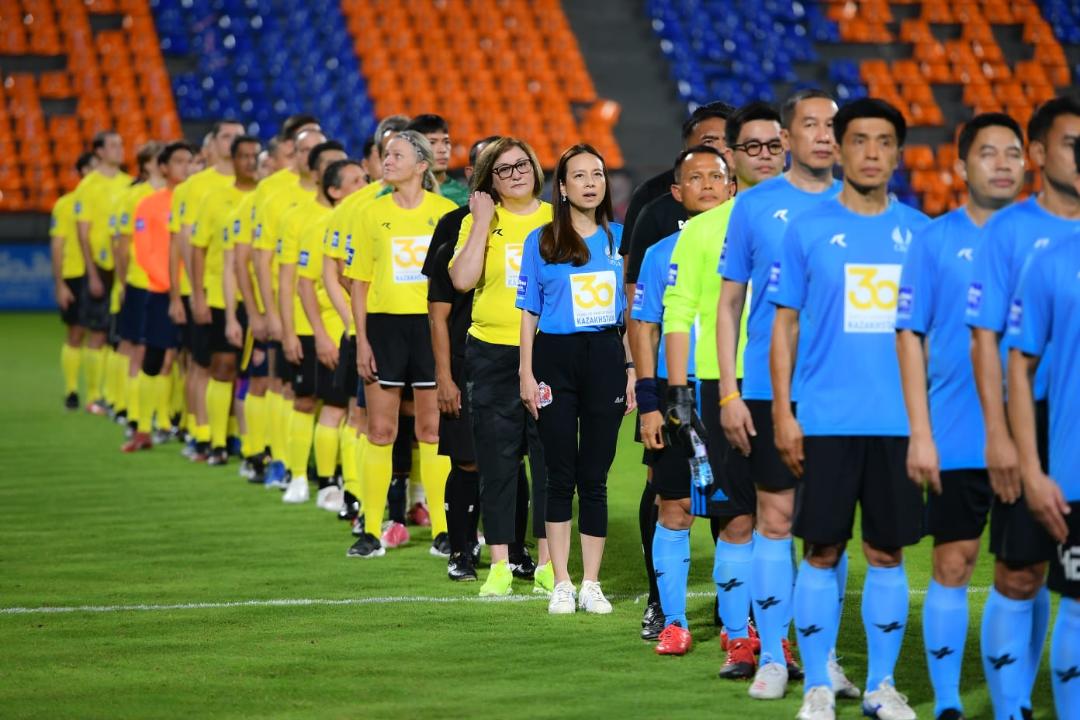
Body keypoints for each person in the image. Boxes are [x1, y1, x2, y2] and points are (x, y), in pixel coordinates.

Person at [769, 98, 930, 720]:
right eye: (859, 139)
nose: (871, 152)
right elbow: (784, 328)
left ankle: (881, 686)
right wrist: (784, 413)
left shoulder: (921, 233)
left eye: (883, 141)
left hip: (898, 423)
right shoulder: (807, 229)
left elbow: (933, 337)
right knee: (822, 551)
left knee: (888, 553)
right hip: (826, 421)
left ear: (897, 153)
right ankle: (817, 684)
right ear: (839, 147)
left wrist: (929, 426)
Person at [716, 91, 852, 698]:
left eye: (832, 125)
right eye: (810, 125)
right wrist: (729, 392)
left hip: (839, 391)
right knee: (773, 520)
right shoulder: (754, 205)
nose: (823, 135)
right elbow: (729, 305)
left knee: (829, 529)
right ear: (789, 138)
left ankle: (825, 657)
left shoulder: (861, 204)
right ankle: (773, 656)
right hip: (769, 389)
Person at [895, 113, 1026, 720]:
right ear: (960, 166)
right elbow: (910, 336)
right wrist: (920, 434)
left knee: (1023, 572)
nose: (1002, 163)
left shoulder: (1052, 236)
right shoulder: (933, 240)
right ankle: (948, 701)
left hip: (1037, 436)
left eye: (1012, 153)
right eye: (987, 153)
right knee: (954, 562)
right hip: (956, 429)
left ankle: (1012, 702)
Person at [660, 99, 787, 679]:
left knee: (782, 520)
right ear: (734, 157)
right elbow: (678, 311)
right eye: (751, 146)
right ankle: (738, 639)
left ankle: (777, 636)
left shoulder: (803, 218)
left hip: (790, 385)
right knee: (736, 518)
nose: (763, 155)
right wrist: (678, 392)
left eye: (772, 145)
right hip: (722, 387)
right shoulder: (703, 231)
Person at [966, 95, 1080, 720]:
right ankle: (1012, 708)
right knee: (1020, 572)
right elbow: (988, 340)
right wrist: (1000, 435)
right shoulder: (1010, 232)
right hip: (1032, 418)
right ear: (1039, 152)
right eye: (1071, 144)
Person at [623, 102, 734, 636]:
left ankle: (739, 621)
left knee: (737, 513)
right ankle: (672, 620)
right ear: (677, 192)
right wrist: (649, 402)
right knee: (675, 508)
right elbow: (642, 327)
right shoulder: (658, 253)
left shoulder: (752, 246)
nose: (707, 185)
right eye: (695, 177)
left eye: (717, 177)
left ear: (732, 187)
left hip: (734, 393)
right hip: (678, 396)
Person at [517, 143, 635, 614]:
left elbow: (631, 316)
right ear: (562, 187)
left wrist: (632, 370)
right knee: (558, 473)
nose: (590, 182)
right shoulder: (541, 241)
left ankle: (591, 583)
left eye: (598, 174)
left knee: (595, 476)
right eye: (580, 175)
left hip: (606, 357)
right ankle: (562, 582)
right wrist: (526, 372)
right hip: (555, 358)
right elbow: (529, 311)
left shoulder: (622, 241)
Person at [449, 137, 554, 595]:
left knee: (550, 463)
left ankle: (548, 564)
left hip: (549, 352)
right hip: (491, 352)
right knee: (497, 463)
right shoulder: (477, 221)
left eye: (522, 165)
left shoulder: (556, 219)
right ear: (489, 178)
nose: (516, 174)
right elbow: (462, 279)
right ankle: (500, 565)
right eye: (504, 169)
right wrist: (480, 223)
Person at [347, 130, 457, 558]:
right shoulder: (370, 213)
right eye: (385, 154)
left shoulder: (445, 213)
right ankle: (371, 530)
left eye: (396, 154)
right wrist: (361, 341)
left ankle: (444, 531)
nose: (387, 160)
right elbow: (358, 283)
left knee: (432, 431)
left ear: (421, 165)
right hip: (384, 329)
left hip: (431, 328)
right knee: (380, 430)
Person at [1005, 146, 1080, 718]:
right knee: (1077, 606)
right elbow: (1019, 367)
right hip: (1073, 466)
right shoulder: (1053, 261)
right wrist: (1032, 470)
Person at [421, 135, 498, 580]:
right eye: (489, 165)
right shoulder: (452, 225)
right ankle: (462, 550)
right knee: (467, 460)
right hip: (465, 358)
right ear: (471, 174)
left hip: (517, 358)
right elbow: (438, 311)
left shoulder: (537, 224)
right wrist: (444, 376)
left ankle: (514, 550)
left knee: (513, 459)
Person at [251, 116, 322, 487]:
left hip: (332, 315)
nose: (310, 156)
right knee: (287, 387)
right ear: (293, 153)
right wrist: (271, 312)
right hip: (292, 309)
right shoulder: (273, 191)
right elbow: (262, 260)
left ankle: (323, 467)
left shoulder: (339, 195)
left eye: (316, 150)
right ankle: (280, 460)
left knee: (331, 397)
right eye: (303, 150)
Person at [171, 119, 245, 461]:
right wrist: (191, 293)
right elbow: (186, 243)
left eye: (238, 137)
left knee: (240, 371)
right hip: (210, 290)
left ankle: (232, 434)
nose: (233, 142)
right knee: (202, 364)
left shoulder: (257, 187)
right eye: (226, 137)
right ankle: (201, 434)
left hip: (248, 295)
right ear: (212, 144)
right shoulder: (196, 187)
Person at [289, 142, 358, 509]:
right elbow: (304, 285)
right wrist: (320, 335)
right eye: (355, 181)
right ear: (334, 191)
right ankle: (323, 482)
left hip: (363, 329)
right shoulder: (322, 226)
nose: (364, 185)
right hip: (334, 329)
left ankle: (350, 484)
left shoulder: (366, 221)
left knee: (356, 410)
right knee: (334, 405)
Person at [190, 134, 261, 465]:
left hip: (263, 300)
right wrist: (198, 295)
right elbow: (198, 249)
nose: (249, 162)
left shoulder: (266, 196)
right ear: (233, 160)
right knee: (222, 367)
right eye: (243, 156)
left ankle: (249, 443)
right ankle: (217, 442)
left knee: (257, 374)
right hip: (223, 297)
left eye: (254, 156)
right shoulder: (214, 199)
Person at [274, 131, 336, 503]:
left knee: (341, 406)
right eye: (328, 165)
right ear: (315, 172)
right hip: (306, 325)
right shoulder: (298, 218)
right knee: (305, 400)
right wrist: (287, 332)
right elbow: (287, 281)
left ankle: (331, 479)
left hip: (347, 327)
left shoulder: (355, 214)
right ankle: (296, 475)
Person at [134, 141, 195, 449]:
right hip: (163, 292)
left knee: (193, 361)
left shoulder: (198, 200)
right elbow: (144, 253)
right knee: (155, 358)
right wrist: (173, 287)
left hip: (197, 292)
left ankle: (182, 422)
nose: (186, 167)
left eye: (189, 161)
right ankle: (145, 425)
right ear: (163, 168)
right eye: (179, 161)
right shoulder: (148, 205)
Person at [73, 130, 131, 414]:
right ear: (99, 151)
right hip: (100, 266)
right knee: (96, 332)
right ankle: (94, 395)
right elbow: (83, 234)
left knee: (118, 335)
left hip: (125, 267)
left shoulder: (128, 183)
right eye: (113, 145)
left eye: (120, 144)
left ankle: (113, 394)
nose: (119, 149)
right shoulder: (88, 185)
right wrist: (92, 273)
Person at [114, 141, 166, 450]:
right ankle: (135, 416)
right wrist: (123, 283)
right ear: (147, 164)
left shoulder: (176, 195)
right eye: (159, 158)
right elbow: (122, 246)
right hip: (140, 282)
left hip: (168, 285)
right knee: (137, 350)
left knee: (164, 354)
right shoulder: (134, 197)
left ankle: (159, 417)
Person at [52, 151, 97, 409]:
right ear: (82, 172)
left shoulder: (110, 199)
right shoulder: (65, 204)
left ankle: (96, 394)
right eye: (92, 168)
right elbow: (57, 245)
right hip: (75, 274)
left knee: (101, 335)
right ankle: (71, 390)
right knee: (76, 332)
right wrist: (60, 284)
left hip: (102, 272)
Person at [406, 114, 469, 207]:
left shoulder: (464, 197)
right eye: (432, 142)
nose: (443, 149)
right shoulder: (393, 193)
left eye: (446, 142)